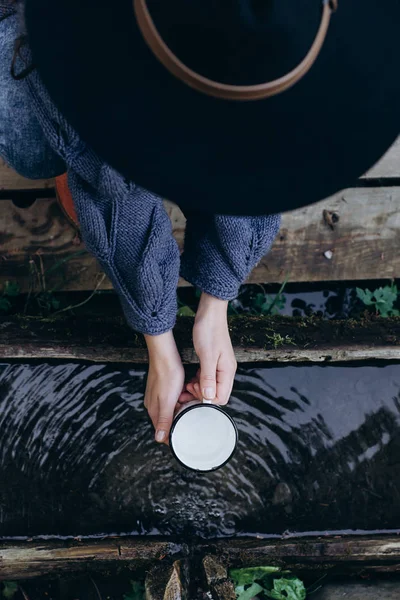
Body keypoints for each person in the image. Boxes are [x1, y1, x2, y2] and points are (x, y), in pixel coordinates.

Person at [1, 0, 399, 446]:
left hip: (198, 50)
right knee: (36, 149)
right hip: (69, 22)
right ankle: (72, 161)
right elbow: (113, 183)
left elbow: (266, 165)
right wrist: (156, 334)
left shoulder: (320, 43)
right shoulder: (99, 45)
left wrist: (216, 302)